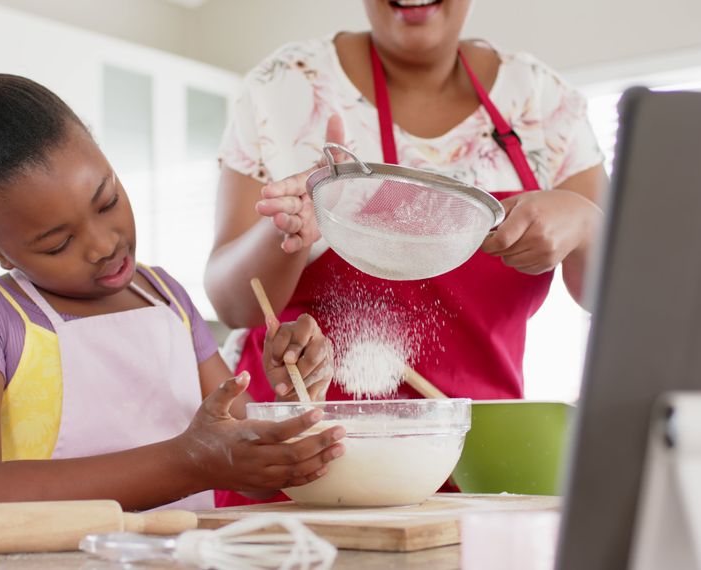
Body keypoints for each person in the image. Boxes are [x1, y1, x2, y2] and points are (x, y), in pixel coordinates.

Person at [0, 35, 344, 517]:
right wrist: (188, 463)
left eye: (107, 200)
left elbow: (252, 471)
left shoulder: (165, 295)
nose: (104, 245)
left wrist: (291, 398)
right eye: (58, 243)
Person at [206, 0, 607, 503]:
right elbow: (232, 304)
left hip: (477, 466)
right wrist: (290, 224)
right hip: (303, 467)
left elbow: (620, 303)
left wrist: (587, 224)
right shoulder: (285, 86)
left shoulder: (546, 104)